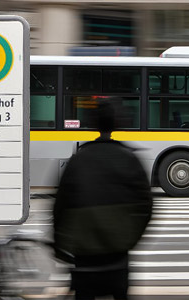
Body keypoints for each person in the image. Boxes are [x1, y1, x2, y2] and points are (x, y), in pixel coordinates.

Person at [53, 100, 153, 300]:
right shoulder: (129, 158)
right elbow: (146, 206)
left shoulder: (78, 159)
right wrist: (130, 239)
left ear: (92, 123)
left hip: (84, 256)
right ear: (118, 124)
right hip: (118, 254)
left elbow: (59, 206)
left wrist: (60, 244)